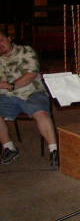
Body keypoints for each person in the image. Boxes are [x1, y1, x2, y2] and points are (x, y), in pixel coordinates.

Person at [0, 30, 58, 166]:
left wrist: (10, 86)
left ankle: (54, 151)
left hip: (33, 92)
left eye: (1, 40)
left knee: (41, 114)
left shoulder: (26, 51)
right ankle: (8, 147)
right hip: (7, 97)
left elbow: (31, 74)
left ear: (9, 38)